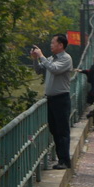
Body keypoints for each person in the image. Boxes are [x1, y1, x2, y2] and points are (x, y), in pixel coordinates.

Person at [31, 34, 74, 170]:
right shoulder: (51, 59)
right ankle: (61, 158)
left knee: (62, 131)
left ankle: (65, 160)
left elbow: (54, 69)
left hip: (61, 98)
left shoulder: (66, 59)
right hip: (51, 99)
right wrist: (35, 59)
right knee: (54, 129)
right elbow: (39, 70)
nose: (51, 45)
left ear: (60, 45)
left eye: (53, 43)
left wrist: (42, 56)